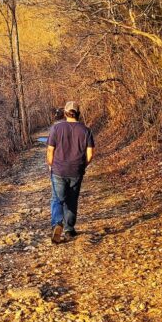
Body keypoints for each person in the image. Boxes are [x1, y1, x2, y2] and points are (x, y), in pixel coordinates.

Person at [46, 100, 95, 243]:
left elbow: (50, 150)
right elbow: (90, 153)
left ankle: (57, 224)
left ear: (65, 113)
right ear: (78, 113)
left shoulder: (56, 128)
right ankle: (69, 230)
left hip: (59, 170)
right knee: (72, 200)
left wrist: (50, 164)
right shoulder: (86, 130)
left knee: (57, 199)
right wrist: (83, 165)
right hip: (76, 171)